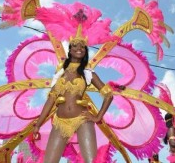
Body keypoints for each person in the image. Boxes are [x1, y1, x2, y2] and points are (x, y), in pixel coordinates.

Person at [32, 10, 117, 163]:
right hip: (60, 121)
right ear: (70, 49)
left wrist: (97, 117)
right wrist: (38, 125)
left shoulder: (87, 73)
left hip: (82, 119)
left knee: (92, 161)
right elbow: (50, 101)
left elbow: (109, 95)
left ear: (85, 52)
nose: (79, 48)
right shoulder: (59, 74)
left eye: (83, 47)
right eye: (75, 46)